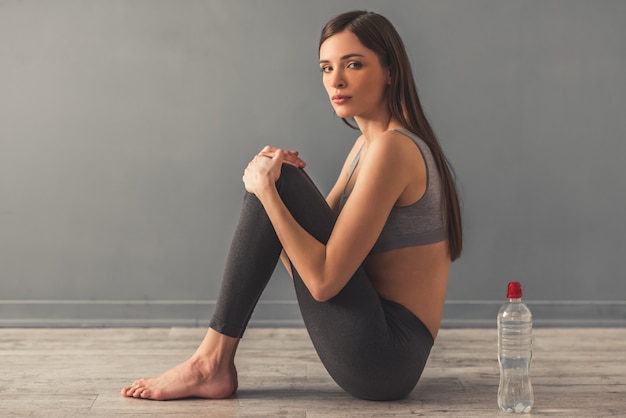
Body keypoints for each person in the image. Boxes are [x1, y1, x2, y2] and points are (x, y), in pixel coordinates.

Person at [121, 9, 462, 402]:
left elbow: (322, 281)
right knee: (276, 175)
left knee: (276, 179)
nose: (336, 80)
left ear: (390, 70)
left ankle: (210, 363)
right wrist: (270, 193)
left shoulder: (393, 148)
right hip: (380, 349)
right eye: (326, 67)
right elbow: (300, 257)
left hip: (386, 357)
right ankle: (210, 363)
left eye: (354, 64)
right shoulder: (367, 147)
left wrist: (268, 191)